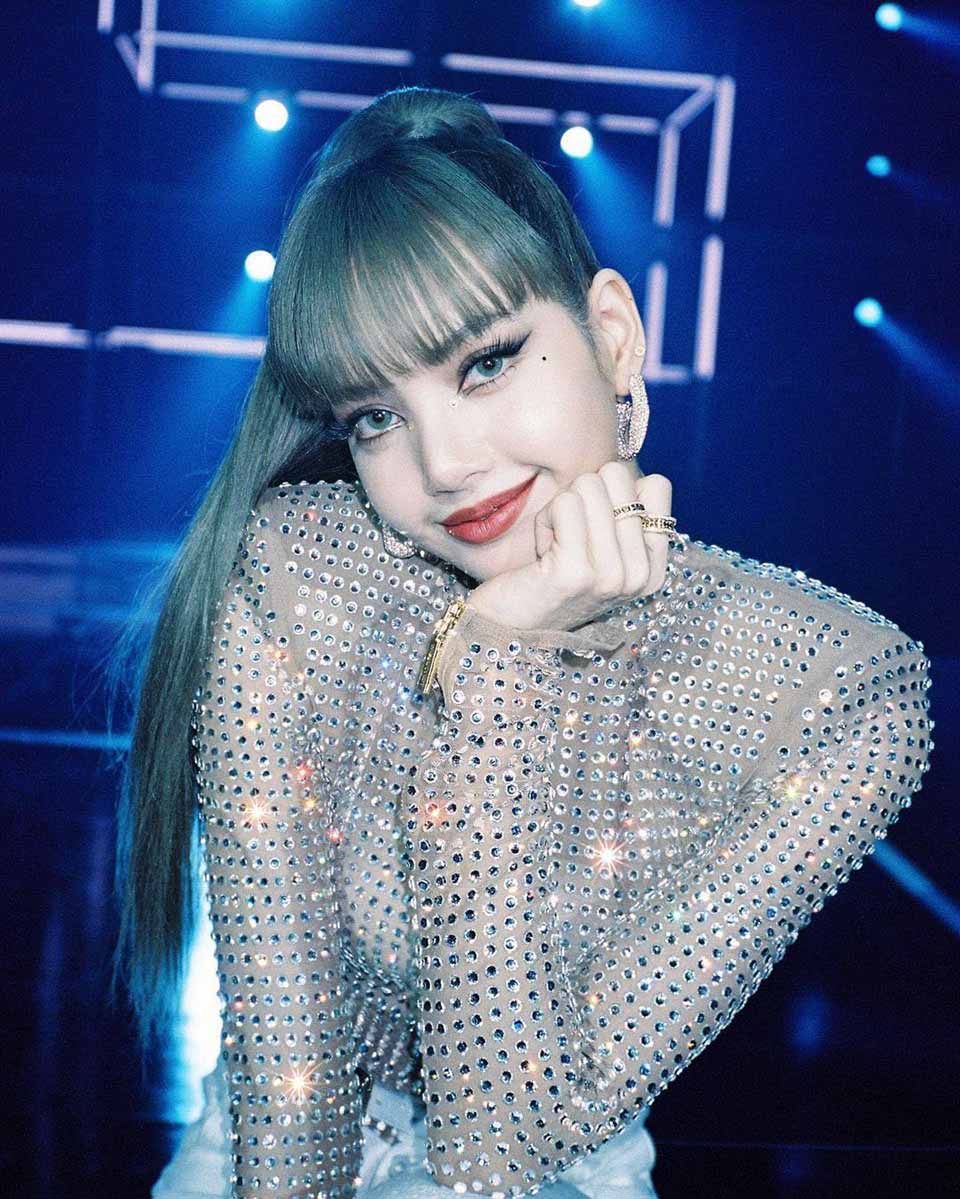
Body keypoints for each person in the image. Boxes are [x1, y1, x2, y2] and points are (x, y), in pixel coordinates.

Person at [108, 86, 935, 1199]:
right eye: (375, 416)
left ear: (612, 335)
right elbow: (290, 1082)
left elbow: (497, 1147)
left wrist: (498, 663)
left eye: (486, 361)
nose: (445, 464)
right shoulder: (303, 570)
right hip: (276, 1141)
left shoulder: (838, 696)